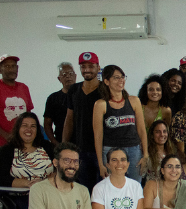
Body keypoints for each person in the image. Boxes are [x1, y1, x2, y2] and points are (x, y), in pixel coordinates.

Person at [92, 65, 148, 183]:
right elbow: (98, 136)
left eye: (122, 77)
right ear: (106, 81)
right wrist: (101, 163)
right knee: (113, 187)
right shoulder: (100, 104)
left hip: (133, 150)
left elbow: (142, 130)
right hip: (110, 151)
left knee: (135, 186)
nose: (121, 80)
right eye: (116, 78)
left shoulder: (134, 101)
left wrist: (145, 154)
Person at [62, 52, 101, 192]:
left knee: (102, 189)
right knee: (83, 189)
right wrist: (64, 147)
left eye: (91, 66)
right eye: (83, 66)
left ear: (98, 67)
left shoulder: (106, 90)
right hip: (80, 149)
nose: (87, 69)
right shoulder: (74, 89)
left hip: (101, 150)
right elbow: (69, 119)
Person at [0, 54, 33, 151]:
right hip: (2, 145)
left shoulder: (24, 88)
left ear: (17, 68)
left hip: (23, 143)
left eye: (13, 66)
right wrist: (7, 137)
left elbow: (28, 115)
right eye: (7, 66)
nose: (11, 69)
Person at [43, 62, 76, 146]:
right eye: (64, 74)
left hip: (82, 143)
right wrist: (54, 142)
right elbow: (47, 123)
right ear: (59, 79)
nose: (68, 76)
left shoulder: (82, 96)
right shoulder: (53, 98)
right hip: (60, 142)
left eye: (70, 73)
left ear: (75, 76)